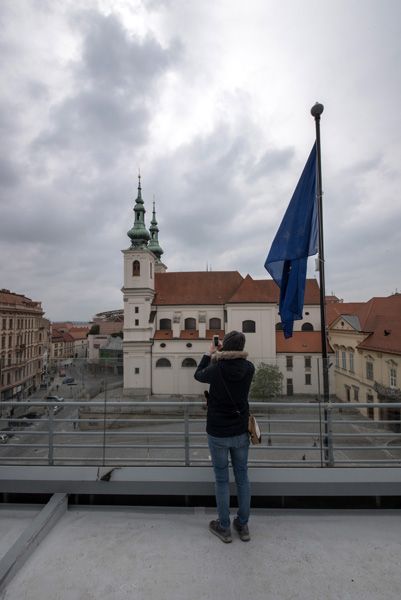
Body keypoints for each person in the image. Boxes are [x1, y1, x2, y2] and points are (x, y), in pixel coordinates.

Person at [194, 330, 255, 543]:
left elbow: (198, 374)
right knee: (242, 478)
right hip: (240, 430)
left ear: (224, 345)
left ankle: (224, 527)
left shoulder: (216, 368)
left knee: (221, 480)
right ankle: (243, 525)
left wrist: (210, 353)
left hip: (218, 431)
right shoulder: (249, 368)